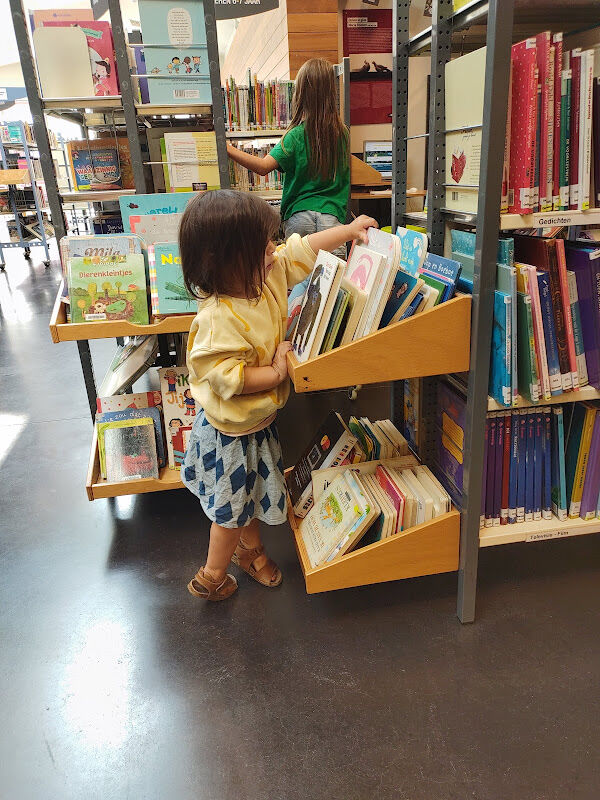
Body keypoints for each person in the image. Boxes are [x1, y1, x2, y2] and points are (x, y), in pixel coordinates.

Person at [178, 190, 375, 601]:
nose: (273, 251)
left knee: (245, 495)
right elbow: (229, 378)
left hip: (256, 425)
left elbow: (301, 249)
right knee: (230, 512)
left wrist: (348, 230)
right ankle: (212, 576)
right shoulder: (217, 319)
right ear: (225, 261)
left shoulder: (265, 276)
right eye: (261, 246)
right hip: (231, 436)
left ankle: (250, 553)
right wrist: (277, 370)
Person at [226, 58, 350, 259]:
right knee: (333, 282)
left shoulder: (296, 135)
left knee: (297, 275)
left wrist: (228, 149)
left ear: (300, 94)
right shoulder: (342, 134)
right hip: (331, 217)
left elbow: (263, 167)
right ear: (331, 92)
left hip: (300, 216)